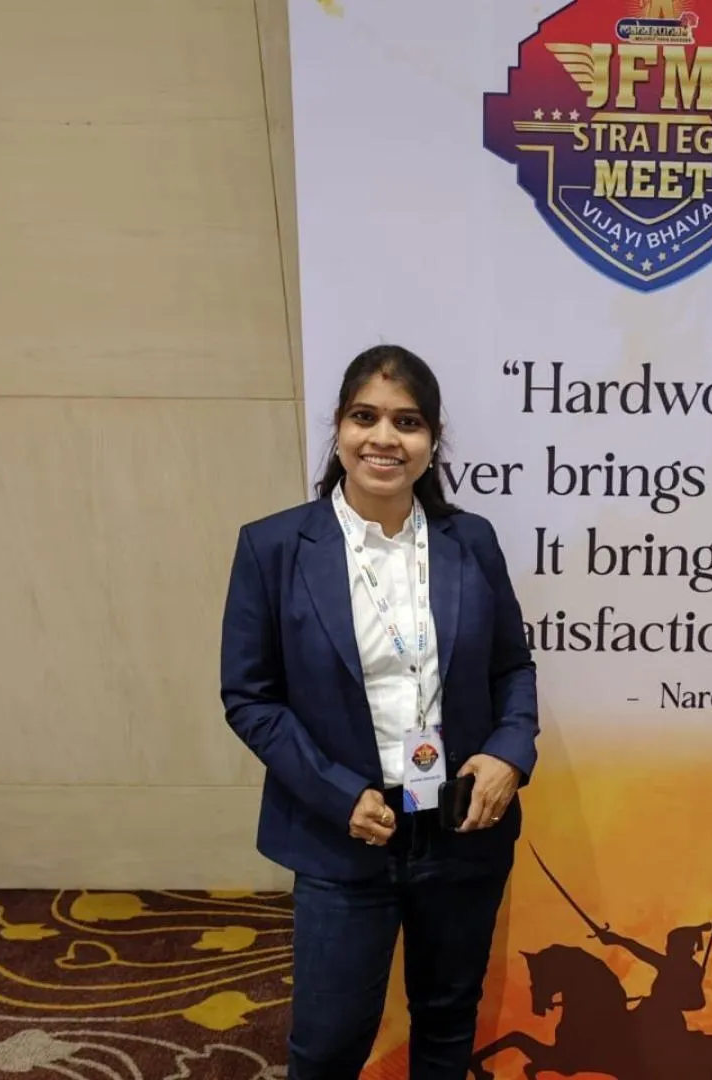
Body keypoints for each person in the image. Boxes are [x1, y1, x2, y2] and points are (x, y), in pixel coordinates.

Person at [219, 344, 540, 1080]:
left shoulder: (471, 540)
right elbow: (250, 696)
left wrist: (510, 753)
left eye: (408, 421)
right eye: (365, 417)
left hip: (461, 825)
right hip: (344, 832)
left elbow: (511, 668)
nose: (384, 438)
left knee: (447, 1020)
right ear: (338, 428)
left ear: (432, 440)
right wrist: (338, 794)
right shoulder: (274, 547)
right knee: (328, 1044)